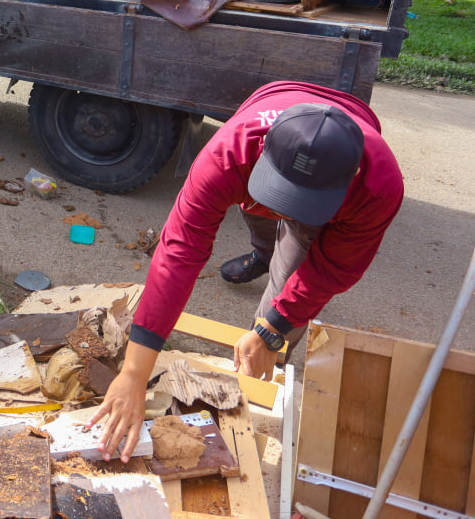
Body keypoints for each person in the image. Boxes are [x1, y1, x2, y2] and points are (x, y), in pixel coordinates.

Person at [91, 80, 404, 461]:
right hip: (263, 131)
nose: (285, 211)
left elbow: (331, 270)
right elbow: (180, 252)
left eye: (300, 203)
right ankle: (263, 251)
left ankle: (261, 380)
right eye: (280, 194)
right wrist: (134, 375)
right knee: (260, 215)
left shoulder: (378, 187)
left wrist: (272, 330)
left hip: (324, 181)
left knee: (291, 275)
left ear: (352, 177)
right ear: (265, 150)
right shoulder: (230, 153)